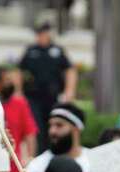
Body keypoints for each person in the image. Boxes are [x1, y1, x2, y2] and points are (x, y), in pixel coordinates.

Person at [19, 22, 78, 155]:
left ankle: (55, 152)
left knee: (54, 125)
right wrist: (19, 91)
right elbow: (19, 71)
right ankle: (39, 154)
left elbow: (70, 70)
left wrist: (70, 90)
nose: (41, 37)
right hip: (34, 97)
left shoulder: (57, 50)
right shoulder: (31, 51)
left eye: (43, 33)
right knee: (37, 127)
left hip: (53, 97)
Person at [27, 103, 91, 172]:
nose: (52, 131)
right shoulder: (38, 164)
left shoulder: (94, 162)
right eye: (50, 126)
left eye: (59, 125)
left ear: (76, 130)